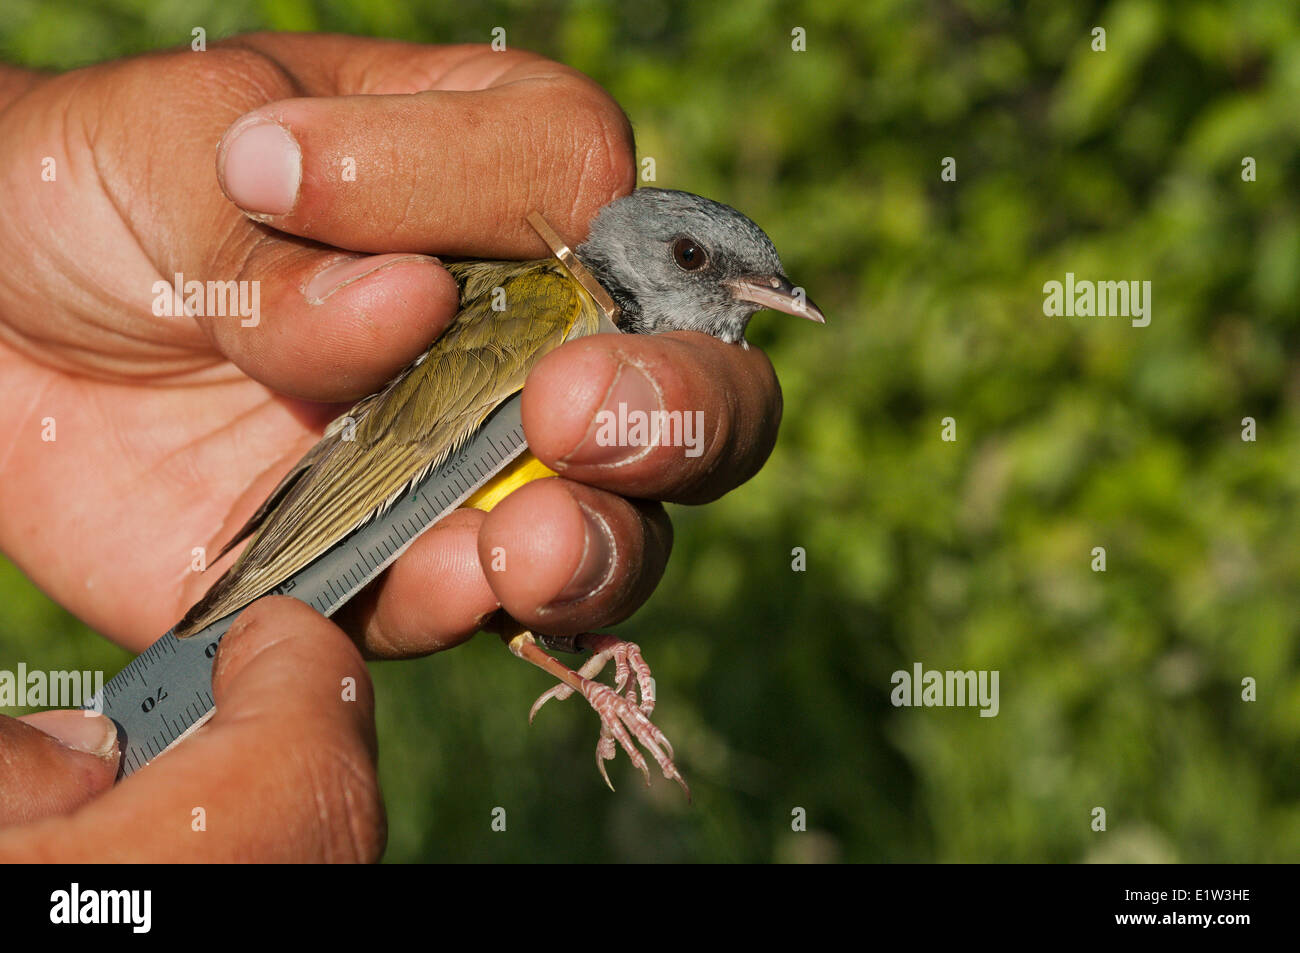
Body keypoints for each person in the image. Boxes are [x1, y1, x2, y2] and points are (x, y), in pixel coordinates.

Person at [0, 33, 782, 860]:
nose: (745, 292)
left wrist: (586, 655)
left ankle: (571, 648)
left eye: (759, 280)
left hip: (444, 533)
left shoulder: (613, 355)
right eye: (696, 261)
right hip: (336, 500)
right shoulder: (555, 303)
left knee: (531, 561)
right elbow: (395, 457)